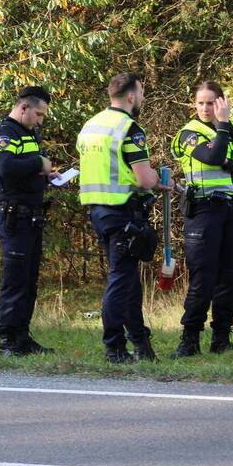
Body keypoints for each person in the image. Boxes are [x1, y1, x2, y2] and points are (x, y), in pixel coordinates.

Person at [77, 73, 172, 363]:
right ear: (130, 96)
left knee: (128, 281)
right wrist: (156, 178)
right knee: (120, 281)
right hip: (122, 213)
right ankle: (114, 347)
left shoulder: (91, 125)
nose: (142, 98)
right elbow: (144, 179)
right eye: (141, 93)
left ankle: (141, 345)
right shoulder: (129, 129)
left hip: (98, 212)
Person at [170, 81, 233, 357]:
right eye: (201, 103)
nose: (206, 108)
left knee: (229, 276)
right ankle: (190, 339)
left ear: (222, 103)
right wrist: (222, 128)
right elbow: (212, 156)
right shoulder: (188, 133)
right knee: (203, 277)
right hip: (204, 210)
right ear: (194, 105)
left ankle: (221, 337)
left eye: (211, 103)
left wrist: (229, 161)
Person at [0, 86, 62, 357]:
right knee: (15, 280)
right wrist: (39, 165)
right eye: (39, 114)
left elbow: (29, 168)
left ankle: (22, 337)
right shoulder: (5, 132)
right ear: (23, 107)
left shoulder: (29, 132)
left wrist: (47, 176)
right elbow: (6, 168)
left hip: (32, 216)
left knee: (30, 280)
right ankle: (7, 341)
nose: (40, 120)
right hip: (14, 216)